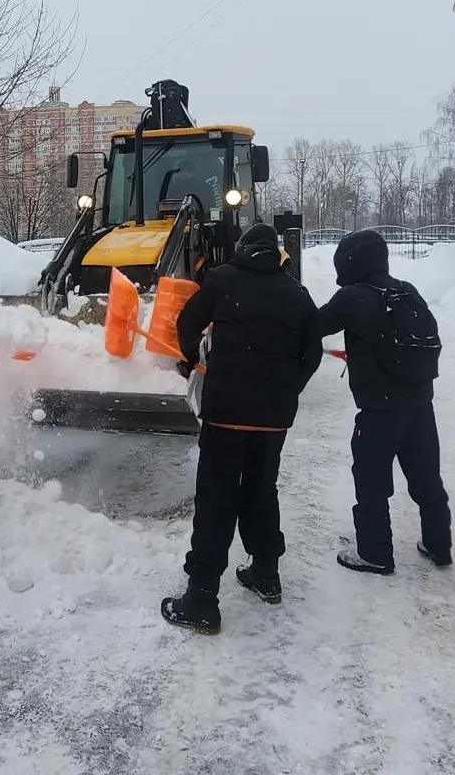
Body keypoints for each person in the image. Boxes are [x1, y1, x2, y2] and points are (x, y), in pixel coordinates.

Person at [160, 224, 324, 634]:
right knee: (260, 490)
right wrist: (287, 388)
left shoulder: (221, 280)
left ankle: (201, 598)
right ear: (278, 256)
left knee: (217, 499)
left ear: (243, 250)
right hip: (273, 420)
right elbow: (313, 352)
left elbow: (186, 325)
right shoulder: (297, 293)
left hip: (227, 414)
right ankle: (266, 573)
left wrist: (189, 361)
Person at [316, 229, 453, 576]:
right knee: (427, 480)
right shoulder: (407, 291)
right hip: (421, 406)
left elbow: (313, 325)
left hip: (379, 411)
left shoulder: (352, 297)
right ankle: (439, 545)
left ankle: (375, 554)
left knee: (371, 482)